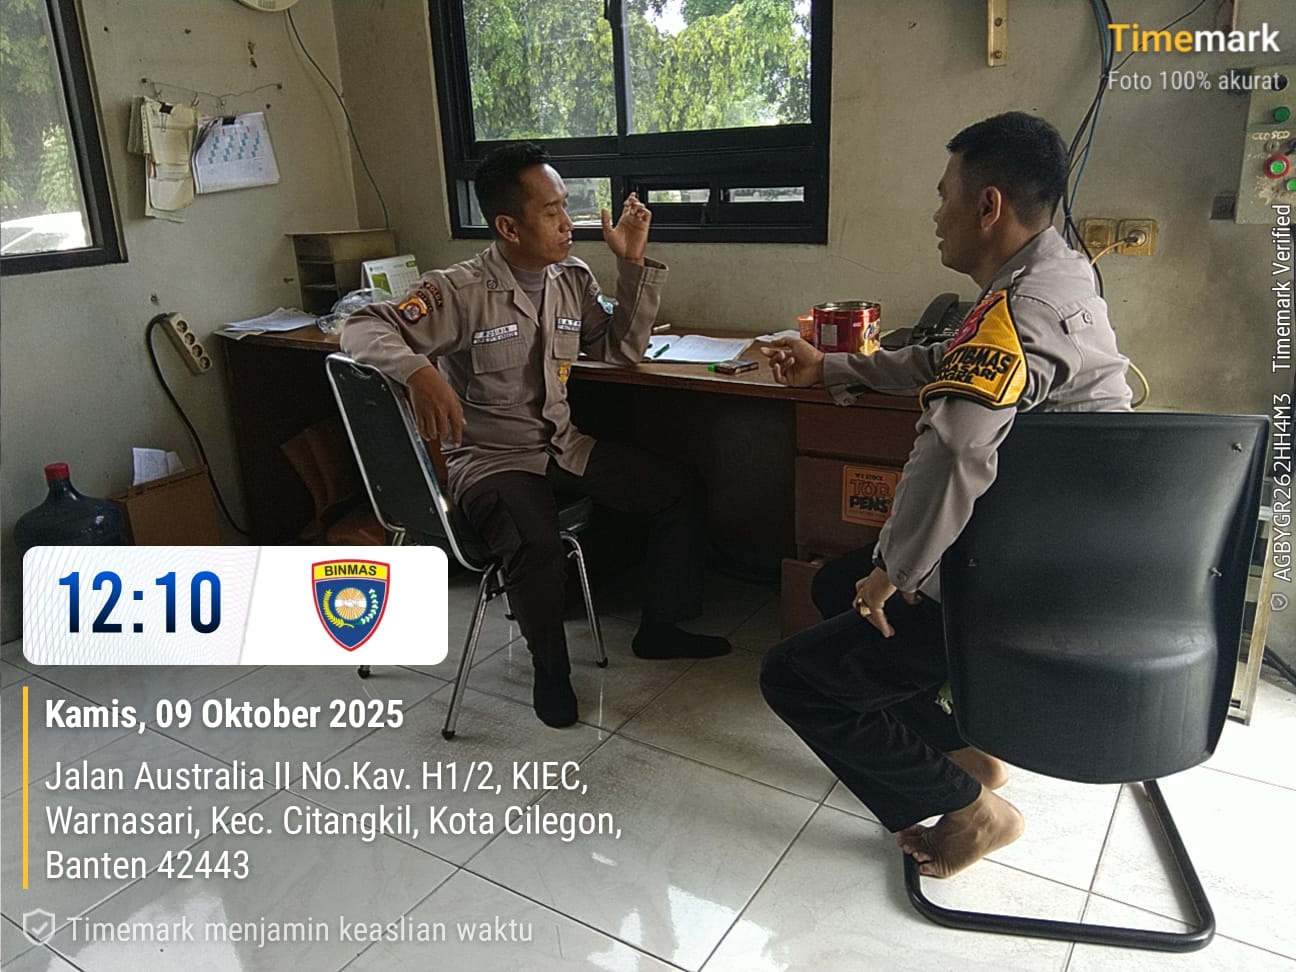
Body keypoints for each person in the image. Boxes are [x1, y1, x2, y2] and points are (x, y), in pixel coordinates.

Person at [758, 112, 1133, 878]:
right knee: (834, 585)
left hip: (1019, 578)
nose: (936, 215)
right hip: (1061, 551)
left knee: (794, 675)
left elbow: (958, 445)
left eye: (943, 196)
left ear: (987, 206)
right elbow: (946, 360)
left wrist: (895, 571)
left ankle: (971, 810)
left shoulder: (1018, 309)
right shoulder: (1057, 277)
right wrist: (833, 367)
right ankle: (963, 749)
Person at [341, 143, 729, 729]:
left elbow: (620, 350)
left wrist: (631, 264)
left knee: (678, 488)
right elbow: (361, 325)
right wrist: (420, 372)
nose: (567, 223)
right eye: (551, 211)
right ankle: (551, 671)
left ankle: (660, 628)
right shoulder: (459, 290)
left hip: (562, 447)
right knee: (538, 545)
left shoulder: (571, 279)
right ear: (508, 226)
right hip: (491, 460)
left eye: (565, 206)